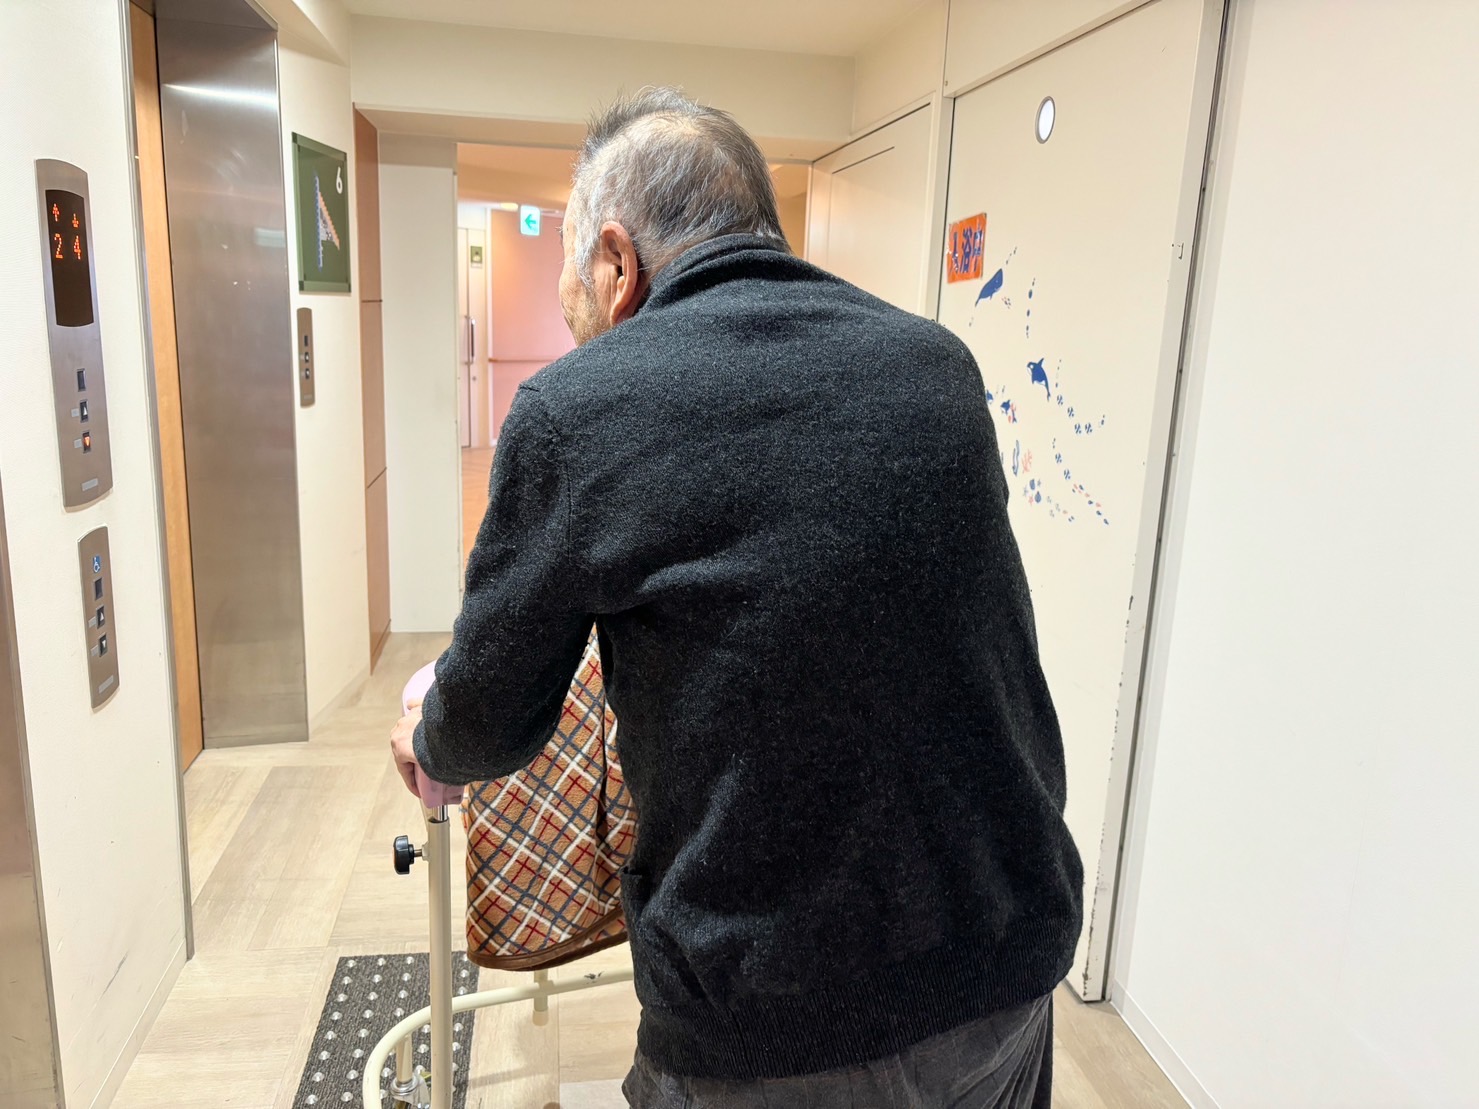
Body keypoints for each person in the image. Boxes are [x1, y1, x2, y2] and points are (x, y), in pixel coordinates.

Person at [391, 87, 1083, 1108]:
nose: (583, 327)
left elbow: (489, 716)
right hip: (1004, 954)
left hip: (769, 1013)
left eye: (575, 294)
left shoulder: (576, 408)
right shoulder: (934, 363)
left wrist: (429, 737)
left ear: (616, 264)